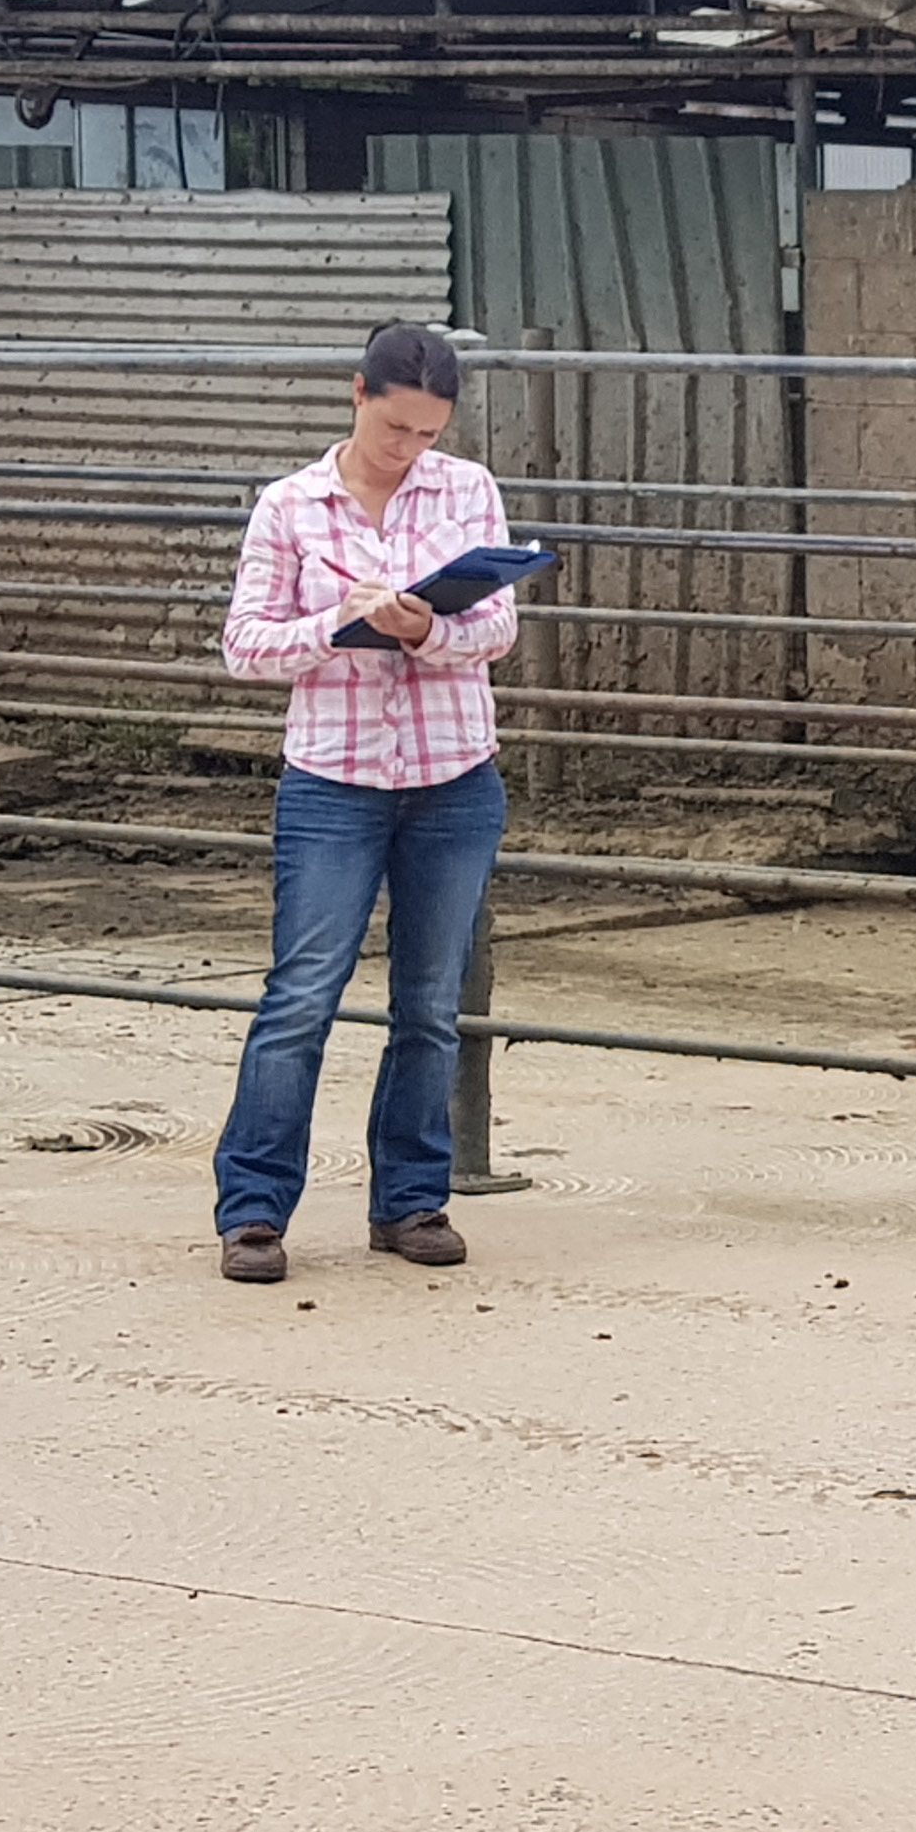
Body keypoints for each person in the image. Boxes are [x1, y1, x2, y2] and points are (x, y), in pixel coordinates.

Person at [208, 322, 522, 1284]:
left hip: (452, 773)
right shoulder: (290, 505)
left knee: (429, 1003)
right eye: (396, 429)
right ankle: (253, 1211)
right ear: (358, 395)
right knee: (302, 995)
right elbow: (245, 644)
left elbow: (498, 626)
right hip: (333, 780)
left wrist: (427, 630)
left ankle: (412, 1200)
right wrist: (338, 623)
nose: (410, 449)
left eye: (428, 433)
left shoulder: (467, 490)